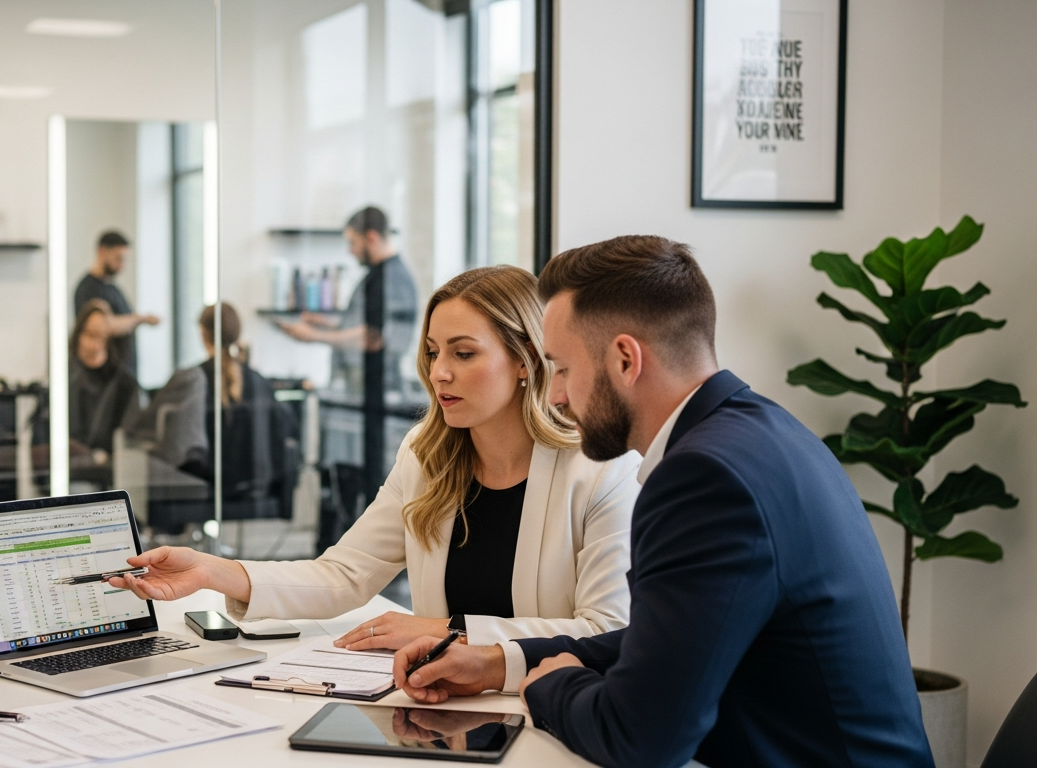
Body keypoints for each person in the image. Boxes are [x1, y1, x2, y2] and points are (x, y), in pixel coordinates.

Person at [394, 237, 932, 767]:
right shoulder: (763, 433)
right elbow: (671, 643)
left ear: (625, 360)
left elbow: (638, 739)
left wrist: (550, 686)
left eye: (563, 369)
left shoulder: (703, 479)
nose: (554, 395)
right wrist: (497, 664)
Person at [109, 266, 640, 652]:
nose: (439, 372)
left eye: (463, 353)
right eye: (432, 352)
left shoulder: (600, 469)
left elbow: (607, 630)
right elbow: (344, 575)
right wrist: (212, 570)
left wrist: (445, 630)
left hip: (549, 709)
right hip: (438, 703)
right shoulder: (427, 455)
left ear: (525, 359)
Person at [276, 206, 419, 504]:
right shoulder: (377, 277)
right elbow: (363, 325)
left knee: (372, 490)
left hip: (378, 401)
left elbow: (375, 337)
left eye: (353, 242)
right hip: (361, 399)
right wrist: (325, 323)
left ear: (371, 238)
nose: (350, 251)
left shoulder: (392, 280)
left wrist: (315, 336)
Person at [124, 303, 296, 493]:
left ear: (203, 333)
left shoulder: (191, 381)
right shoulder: (260, 383)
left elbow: (143, 426)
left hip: (206, 490)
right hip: (255, 492)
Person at [73, 230, 159, 374]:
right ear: (102, 251)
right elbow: (104, 326)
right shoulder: (87, 289)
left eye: (124, 260)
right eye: (118, 258)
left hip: (124, 373)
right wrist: (139, 319)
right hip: (105, 376)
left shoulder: (113, 288)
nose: (122, 265)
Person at [69, 300, 139, 465]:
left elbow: (129, 438)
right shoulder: (64, 378)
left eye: (101, 335)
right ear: (79, 334)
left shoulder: (125, 385)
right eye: (90, 334)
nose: (94, 344)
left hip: (108, 467)